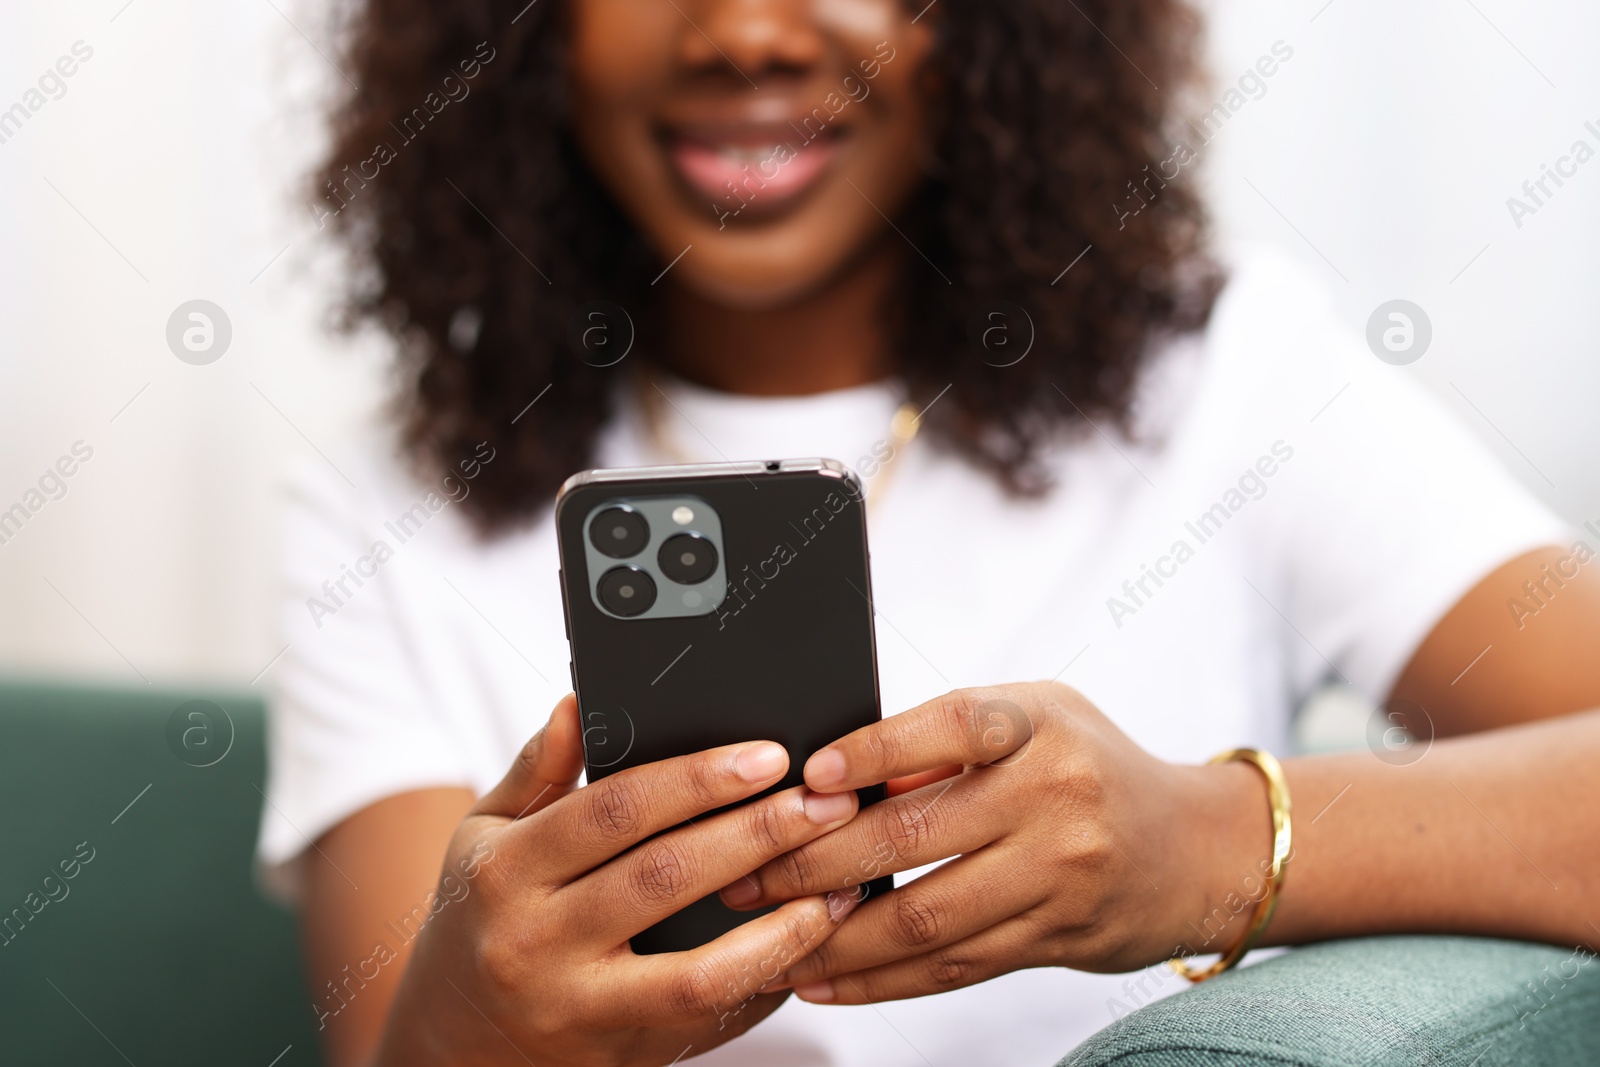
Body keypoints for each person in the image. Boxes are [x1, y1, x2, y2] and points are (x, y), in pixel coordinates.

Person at [259, 2, 1600, 1065]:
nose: (745, 29)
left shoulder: (1230, 375)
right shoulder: (385, 501)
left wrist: (1208, 843)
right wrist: (477, 1021)